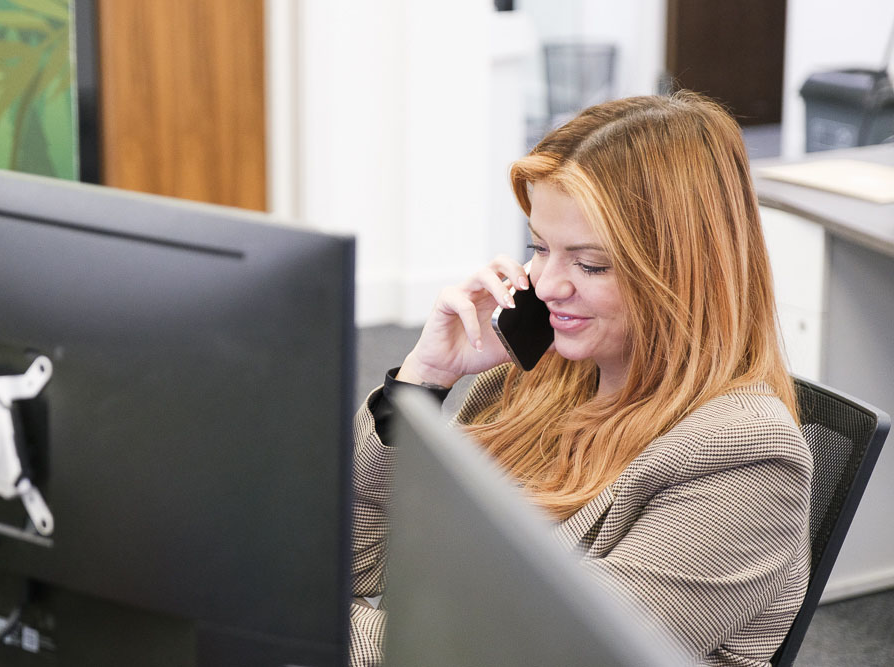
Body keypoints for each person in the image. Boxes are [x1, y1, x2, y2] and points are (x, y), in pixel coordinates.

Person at [347, 91, 812, 667]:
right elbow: (358, 559)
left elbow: (543, 657)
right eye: (539, 248)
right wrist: (421, 384)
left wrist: (318, 627)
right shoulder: (540, 377)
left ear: (684, 271)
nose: (544, 286)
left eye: (590, 263)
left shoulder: (745, 456)